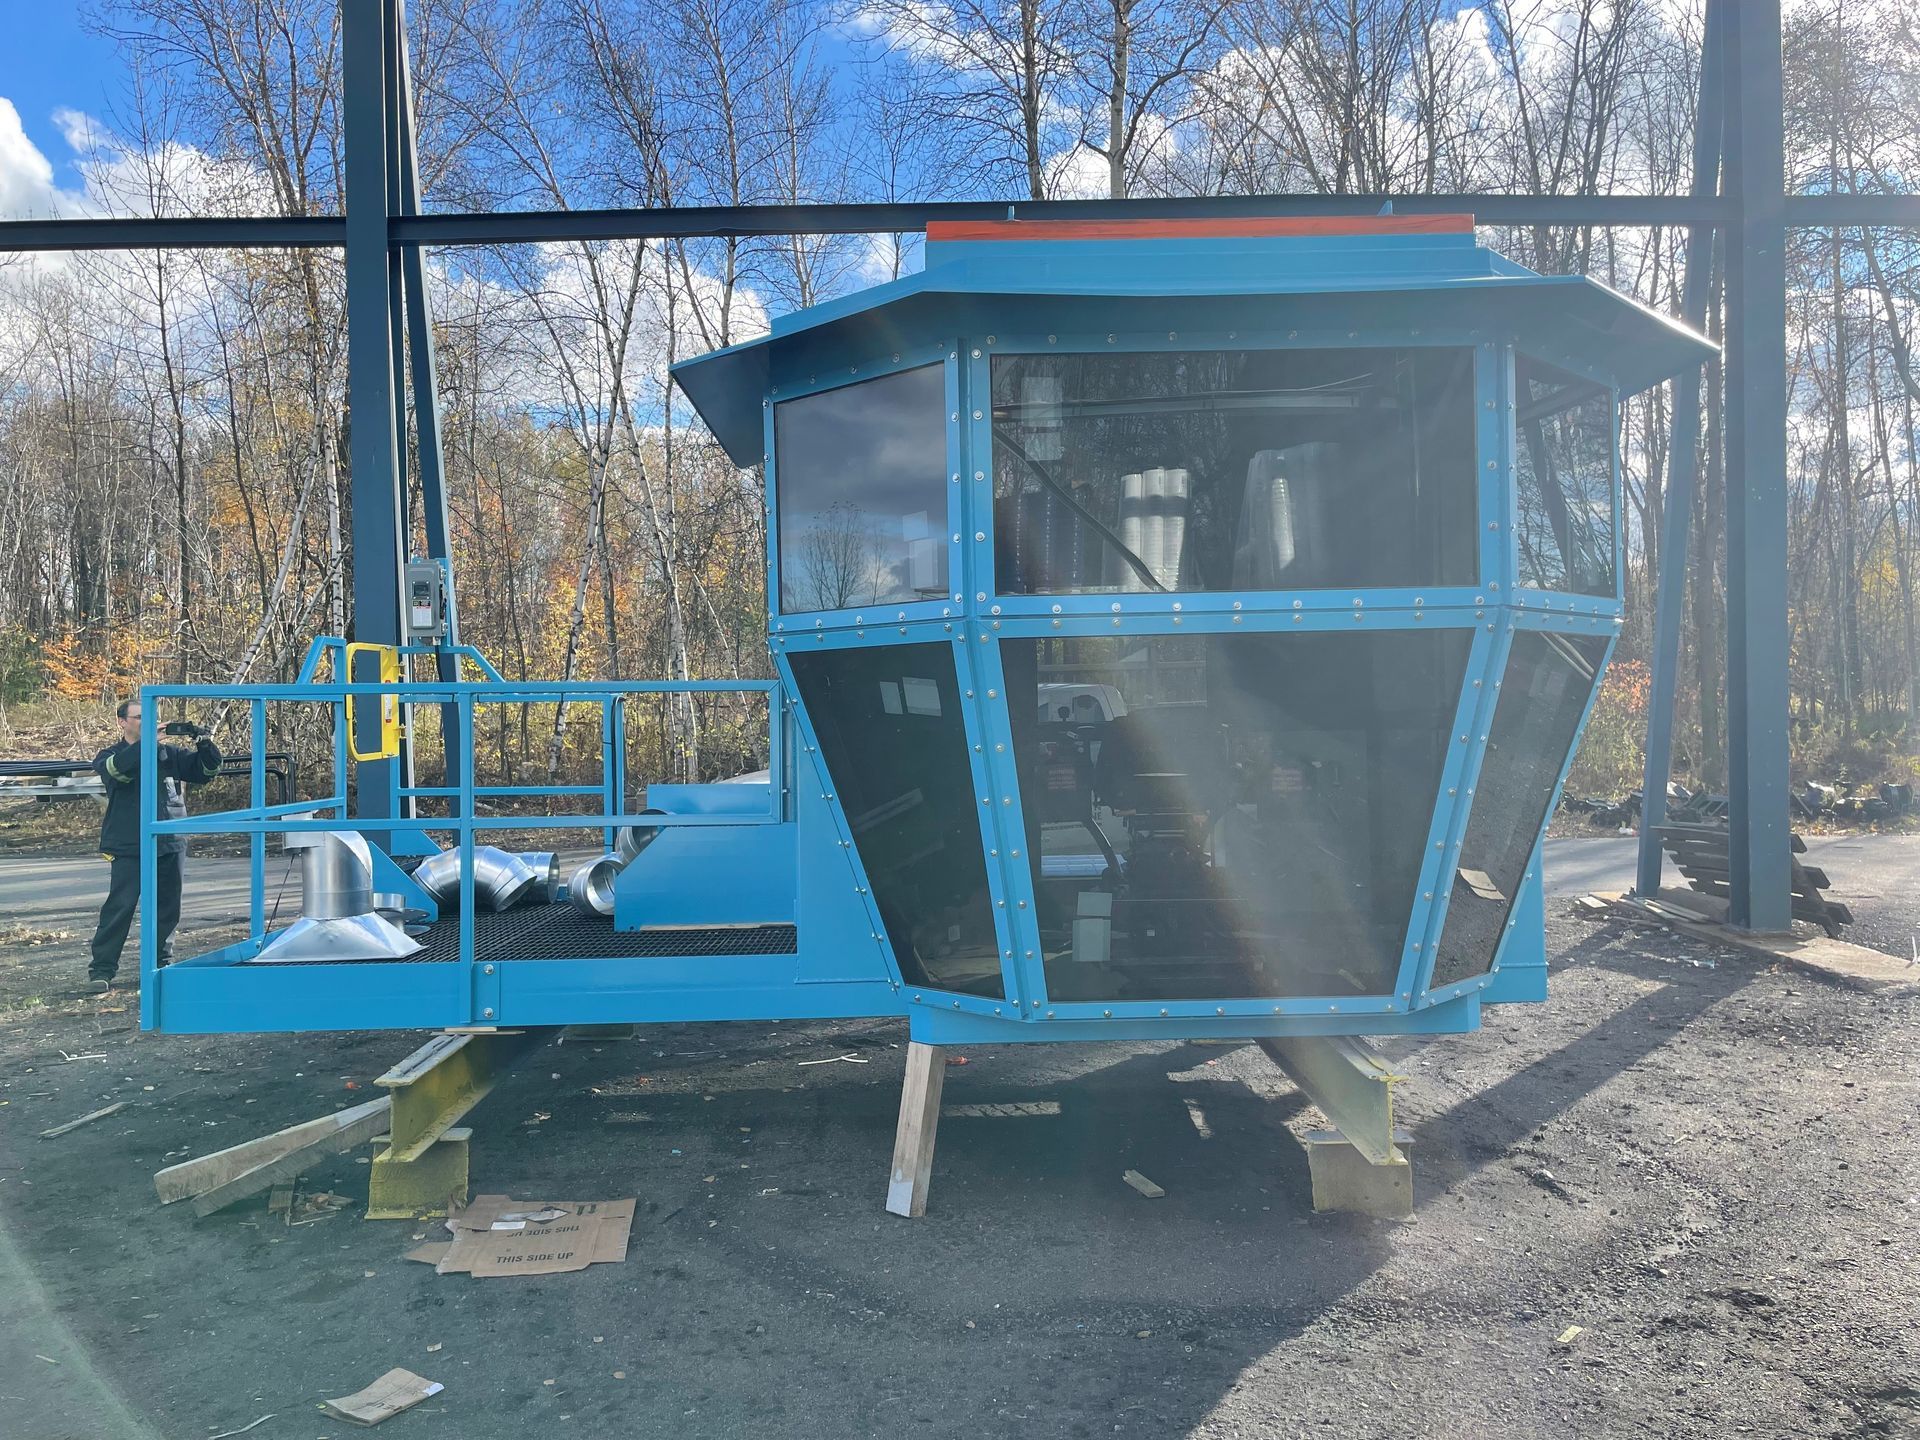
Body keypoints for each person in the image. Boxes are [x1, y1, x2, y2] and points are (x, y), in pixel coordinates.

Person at [87, 699, 223, 995]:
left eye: (151, 719)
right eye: (139, 718)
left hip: (170, 841)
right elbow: (118, 772)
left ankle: (160, 966)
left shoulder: (168, 753)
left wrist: (204, 743)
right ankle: (102, 970)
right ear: (122, 722)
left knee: (167, 907)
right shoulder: (110, 754)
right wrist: (147, 745)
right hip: (128, 844)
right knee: (120, 908)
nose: (147, 723)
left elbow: (205, 773)